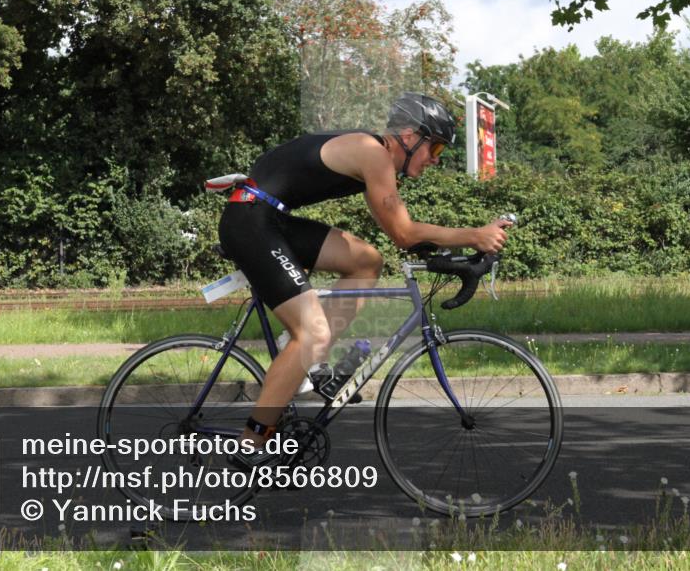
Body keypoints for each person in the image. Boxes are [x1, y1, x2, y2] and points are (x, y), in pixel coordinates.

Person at [216, 92, 511, 469]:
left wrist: (450, 250)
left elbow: (400, 235)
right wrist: (475, 236)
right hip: (251, 222)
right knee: (313, 333)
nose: (436, 158)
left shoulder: (374, 157)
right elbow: (404, 232)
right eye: (435, 146)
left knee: (366, 261)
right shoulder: (373, 153)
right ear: (409, 136)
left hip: (269, 218)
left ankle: (308, 361)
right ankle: (251, 442)